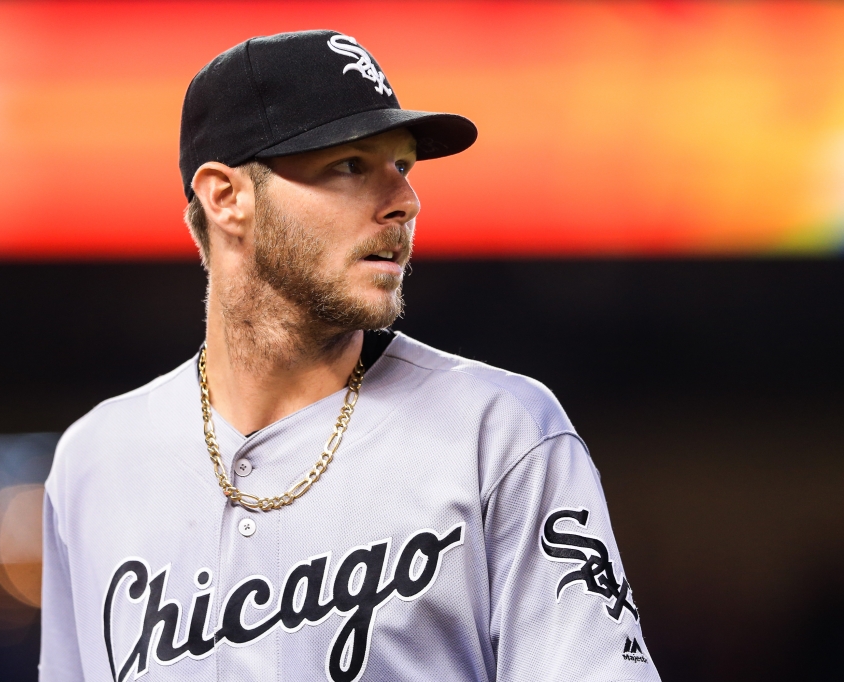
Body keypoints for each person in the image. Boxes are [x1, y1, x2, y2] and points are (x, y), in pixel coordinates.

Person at [40, 30, 661, 682]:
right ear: (226, 198)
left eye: (402, 166)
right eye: (349, 165)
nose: (403, 201)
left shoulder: (500, 433)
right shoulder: (95, 463)